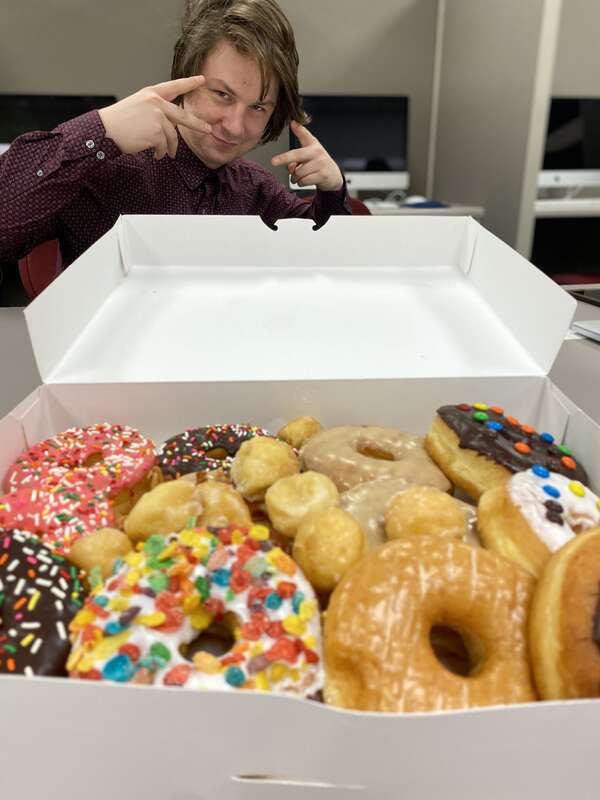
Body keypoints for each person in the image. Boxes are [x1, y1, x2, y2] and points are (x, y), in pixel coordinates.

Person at [0, 0, 351, 270]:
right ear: (184, 80)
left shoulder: (257, 192)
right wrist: (99, 131)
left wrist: (332, 191)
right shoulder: (106, 172)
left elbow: (331, 268)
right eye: (222, 95)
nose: (234, 125)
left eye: (257, 107)